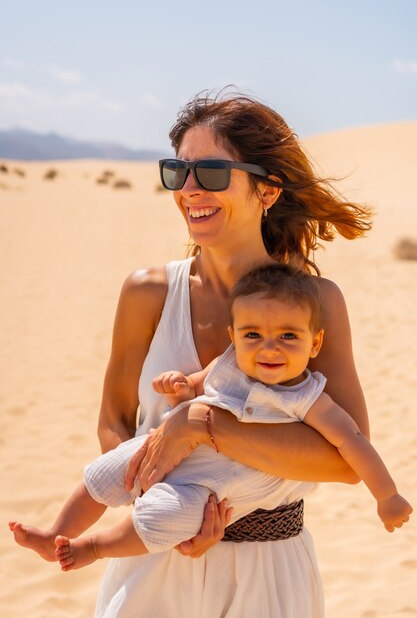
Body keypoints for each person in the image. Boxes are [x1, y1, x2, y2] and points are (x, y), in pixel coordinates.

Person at [13, 89, 379, 617]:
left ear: (268, 190)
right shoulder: (147, 292)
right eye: (176, 172)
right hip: (150, 563)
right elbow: (115, 422)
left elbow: (348, 460)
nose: (188, 190)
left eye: (209, 173)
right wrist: (164, 512)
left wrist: (203, 427)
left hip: (268, 573)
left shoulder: (316, 303)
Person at [9, 265, 412, 574]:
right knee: (105, 472)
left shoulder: (307, 397)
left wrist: (387, 495)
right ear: (234, 338)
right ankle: (56, 532)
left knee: (162, 519)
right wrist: (181, 387)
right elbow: (198, 385)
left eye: (289, 337)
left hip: (205, 494)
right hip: (161, 453)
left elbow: (353, 442)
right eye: (253, 335)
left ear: (315, 343)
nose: (269, 348)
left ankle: (92, 547)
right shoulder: (230, 363)